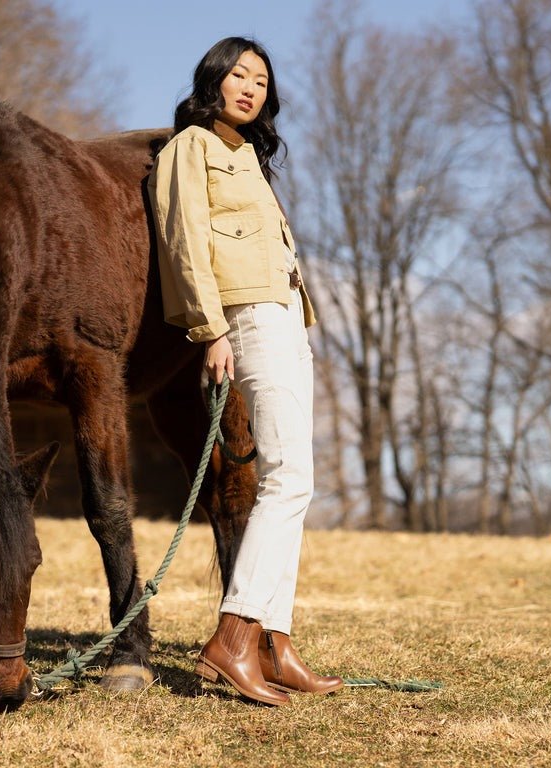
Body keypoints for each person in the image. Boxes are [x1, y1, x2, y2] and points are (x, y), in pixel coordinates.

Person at [148, 36, 343, 706]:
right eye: (238, 74)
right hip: (248, 318)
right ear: (213, 80)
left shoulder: (249, 159)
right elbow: (184, 241)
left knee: (297, 480)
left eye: (262, 79)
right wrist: (211, 331)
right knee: (284, 481)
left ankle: (273, 643)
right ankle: (233, 642)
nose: (251, 87)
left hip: (289, 316)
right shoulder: (191, 148)